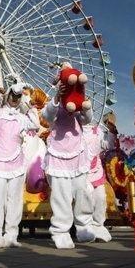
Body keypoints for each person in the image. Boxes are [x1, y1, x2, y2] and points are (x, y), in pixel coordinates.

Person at [0, 81, 40, 248]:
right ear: (8, 95)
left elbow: (35, 125)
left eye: (18, 96)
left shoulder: (21, 118)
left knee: (14, 199)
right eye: (12, 95)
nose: (15, 98)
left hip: (16, 160)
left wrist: (30, 106)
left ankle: (11, 235)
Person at [41, 78, 95, 249]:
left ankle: (84, 226)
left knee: (83, 192)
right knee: (61, 196)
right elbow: (46, 116)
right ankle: (61, 231)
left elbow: (87, 120)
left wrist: (86, 105)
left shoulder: (77, 106)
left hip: (77, 154)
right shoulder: (56, 105)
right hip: (58, 155)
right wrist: (57, 97)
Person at [82, 118, 117, 242]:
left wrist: (112, 132)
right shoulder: (73, 129)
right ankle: (86, 229)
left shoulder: (98, 131)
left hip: (96, 171)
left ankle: (99, 227)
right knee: (86, 201)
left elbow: (108, 145)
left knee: (100, 199)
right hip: (81, 173)